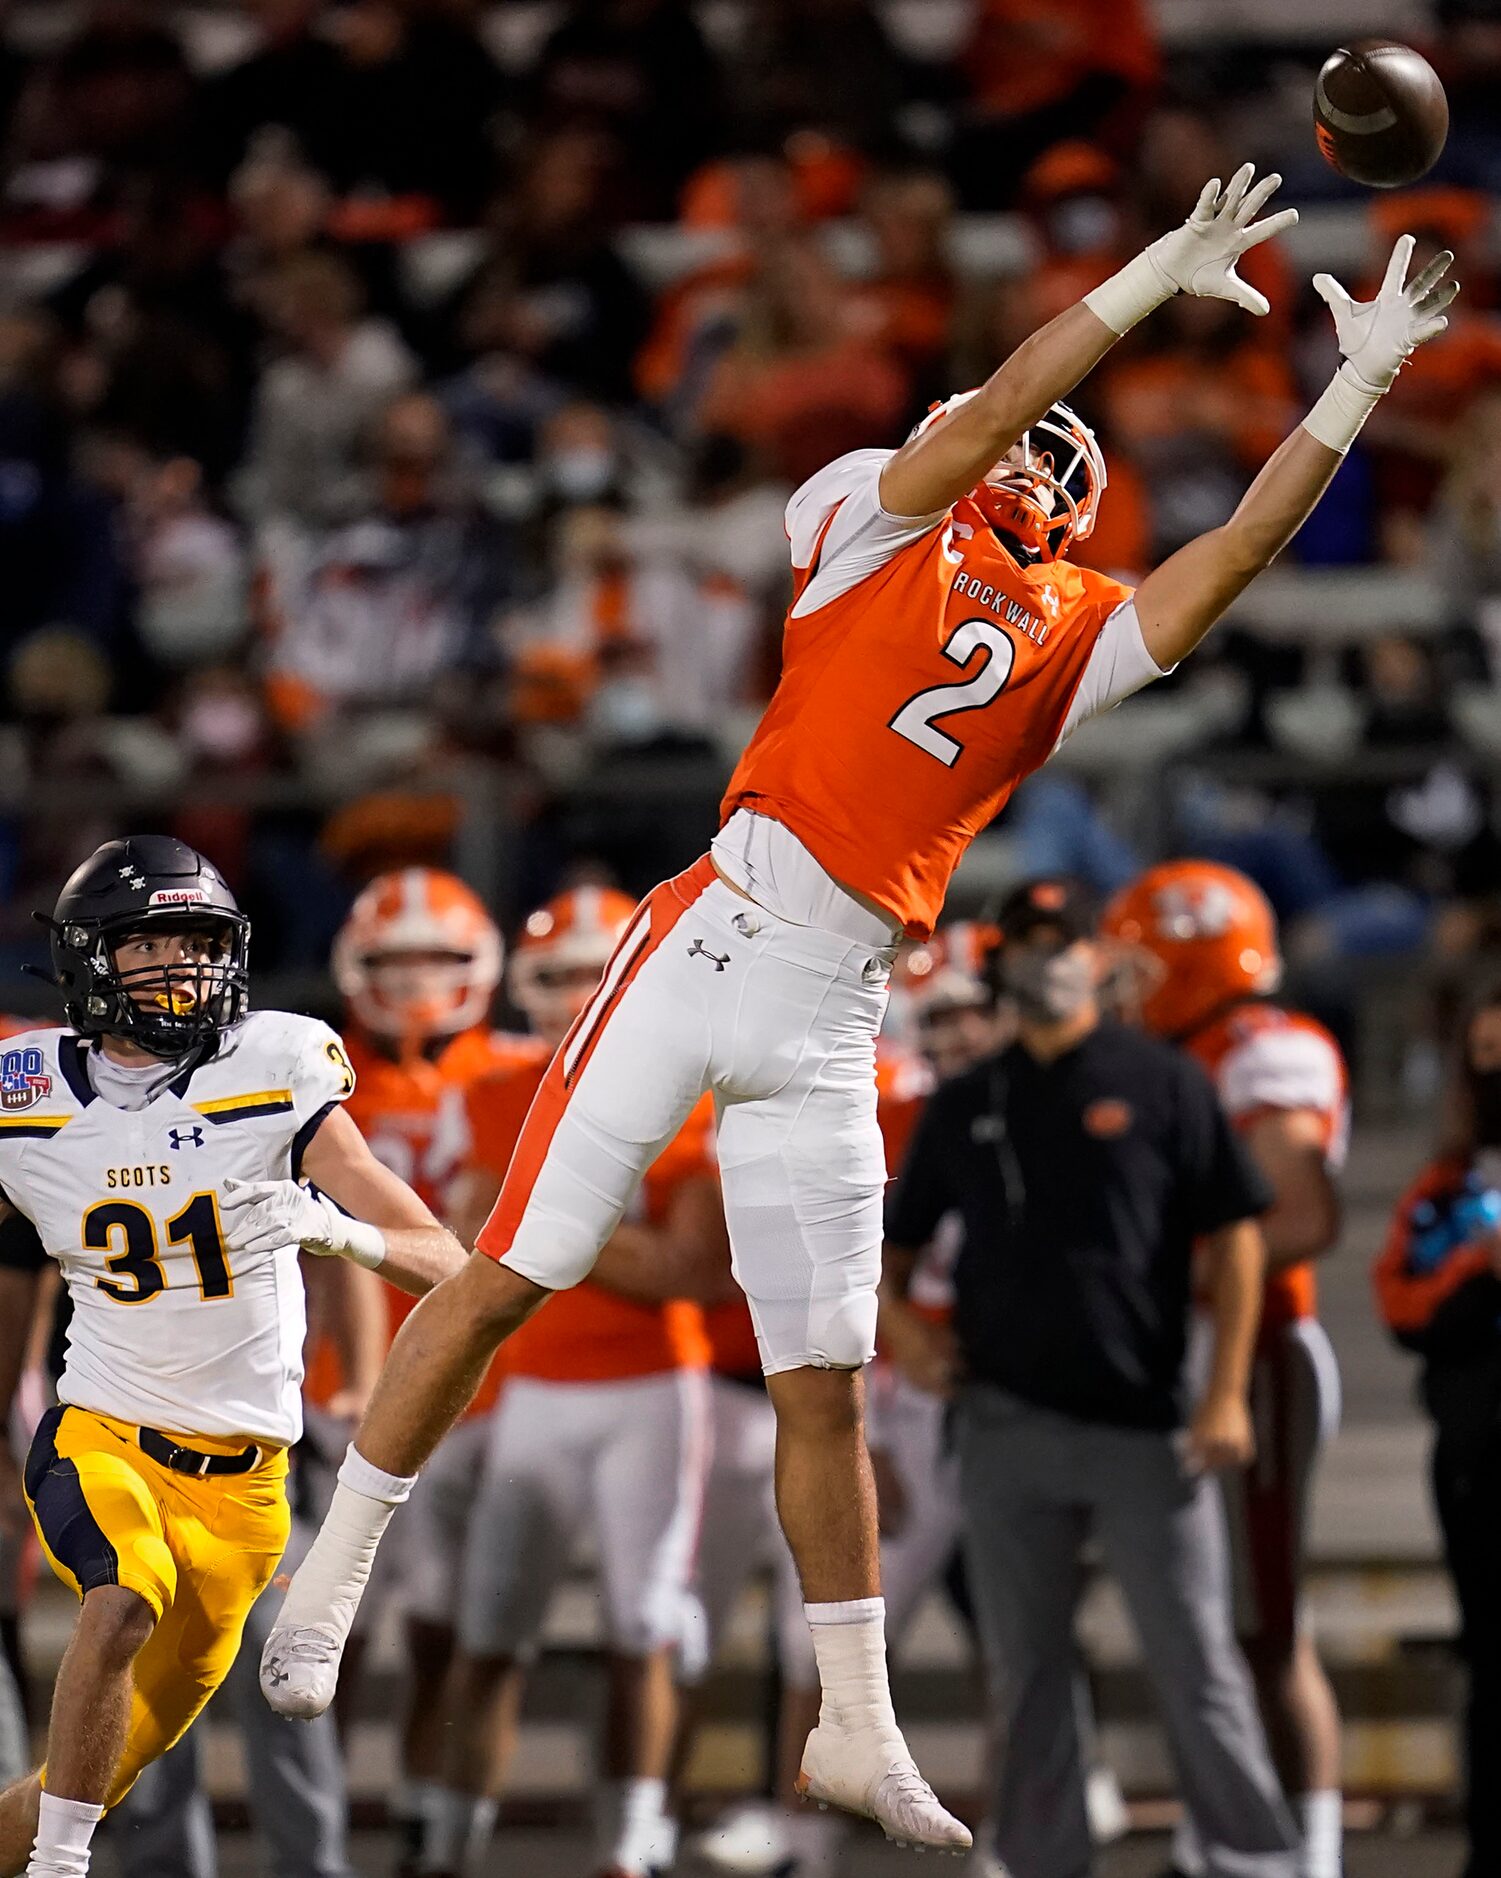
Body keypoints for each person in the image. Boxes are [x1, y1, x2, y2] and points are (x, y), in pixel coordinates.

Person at [264, 164, 1456, 1850]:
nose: (1035, 462)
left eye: (1064, 463)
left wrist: (1355, 385)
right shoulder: (873, 517)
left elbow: (1237, 553)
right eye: (1018, 437)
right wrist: (1138, 284)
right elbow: (1008, 406)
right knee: (506, 1270)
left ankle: (854, 1718)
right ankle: (335, 1572)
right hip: (714, 935)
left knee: (822, 1380)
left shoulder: (1074, 630)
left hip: (838, 1008)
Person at [0, 834, 467, 1878]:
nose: (181, 966)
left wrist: (335, 1231)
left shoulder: (277, 1067)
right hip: (103, 1434)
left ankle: (42, 1847)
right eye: (150, 943)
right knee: (123, 1594)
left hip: (248, 1494)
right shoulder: (21, 1090)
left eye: (197, 941)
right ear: (87, 959)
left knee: (67, 1788)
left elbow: (450, 1263)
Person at [886, 876, 1296, 1878]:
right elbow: (890, 1248)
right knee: (1026, 1670)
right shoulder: (967, 1099)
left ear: (1099, 959)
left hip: (1145, 1422)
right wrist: (906, 1335)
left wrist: (1224, 1390)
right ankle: (1041, 1859)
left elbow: (1237, 1238)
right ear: (997, 966)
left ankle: (1255, 1858)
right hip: (1004, 1422)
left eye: (1063, 940)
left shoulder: (1161, 1082)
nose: (1046, 958)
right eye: (1026, 941)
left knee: (1194, 1658)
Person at [415, 886, 717, 1878]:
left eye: (601, 969)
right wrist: (586, 1236)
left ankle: (630, 1852)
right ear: (522, 987)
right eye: (558, 976)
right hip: (533, 1390)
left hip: (650, 1387)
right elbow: (464, 1248)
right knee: (490, 1632)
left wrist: (535, 1220)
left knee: (643, 1626)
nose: (582, 993)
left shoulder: (696, 1085)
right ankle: (450, 1845)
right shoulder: (488, 1093)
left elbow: (689, 1273)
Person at [1104, 862, 1348, 1878]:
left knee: (1260, 1630)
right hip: (1202, 1355)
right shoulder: (1197, 1052)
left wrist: (1135, 1274)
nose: (1121, 989)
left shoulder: (1263, 1050)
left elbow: (1293, 1215)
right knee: (1204, 1627)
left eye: (1135, 966)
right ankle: (1231, 1843)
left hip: (1253, 1356)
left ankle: (1303, 1854)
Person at [323, 867, 536, 1869]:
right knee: (330, 1625)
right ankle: (314, 1811)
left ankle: (422, 1814)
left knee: (443, 1623)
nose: (413, 979)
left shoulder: (525, 1069)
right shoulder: (309, 1069)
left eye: (436, 957)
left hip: (480, 1386)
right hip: (338, 1382)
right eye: (392, 958)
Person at [1373, 985, 1501, 1878]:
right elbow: (1401, 1303)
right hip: (1479, 1453)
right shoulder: (1447, 1185)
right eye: (1483, 1055)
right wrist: (1476, 1270)